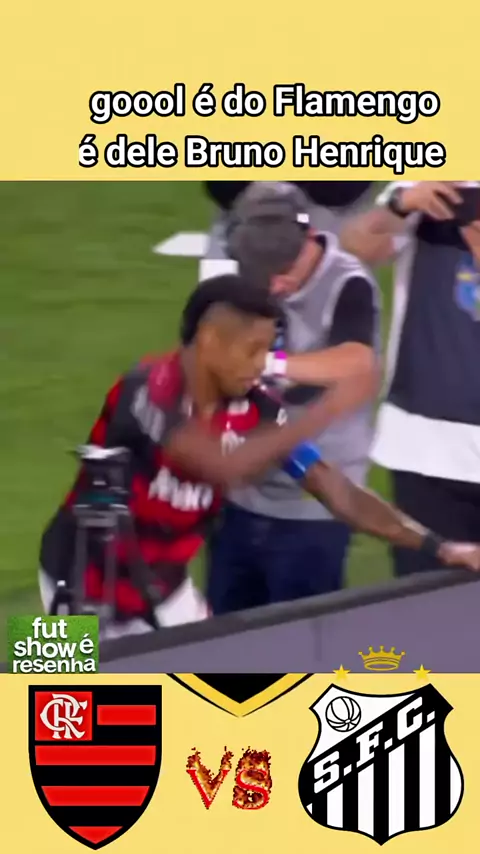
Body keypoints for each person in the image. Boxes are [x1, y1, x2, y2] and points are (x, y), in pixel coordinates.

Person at [39, 275, 480, 639]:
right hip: (75, 582)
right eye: (252, 350)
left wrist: (438, 546)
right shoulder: (145, 388)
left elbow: (337, 491)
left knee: (200, 699)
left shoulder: (257, 409)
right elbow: (220, 464)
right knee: (58, 708)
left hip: (163, 586)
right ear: (210, 341)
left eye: (268, 351)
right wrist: (331, 407)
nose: (261, 365)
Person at [206, 182, 381, 613]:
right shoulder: (238, 269)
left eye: (284, 272)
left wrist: (270, 365)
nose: (276, 286)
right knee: (221, 638)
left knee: (300, 642)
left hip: (314, 508)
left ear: (309, 240)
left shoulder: (348, 282)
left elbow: (355, 362)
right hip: (240, 498)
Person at [340, 180, 480, 577]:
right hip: (425, 450)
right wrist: (400, 206)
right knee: (426, 601)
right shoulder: (440, 176)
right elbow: (355, 248)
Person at [200, 181, 374, 281]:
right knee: (225, 319)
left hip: (328, 215)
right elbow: (222, 186)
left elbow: (341, 191)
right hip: (243, 209)